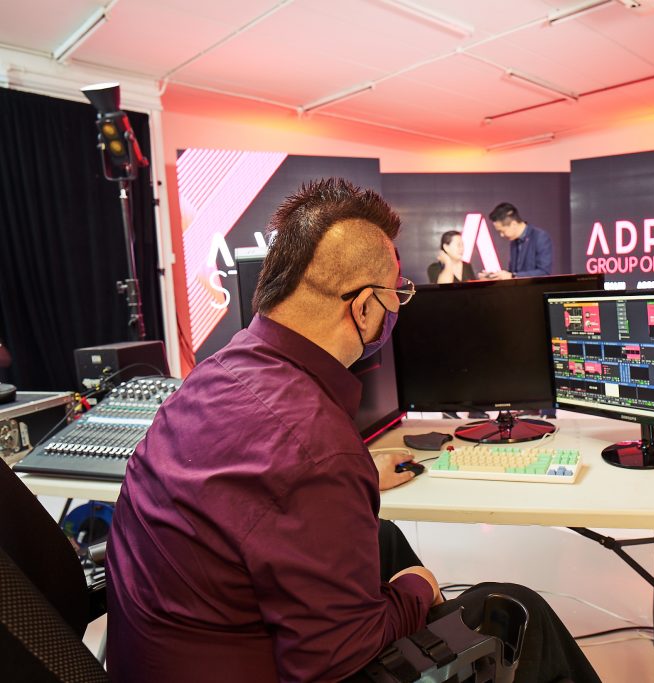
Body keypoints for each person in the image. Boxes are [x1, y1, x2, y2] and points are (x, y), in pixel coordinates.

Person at [105, 178, 600, 683]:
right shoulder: (316, 446)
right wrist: (414, 592)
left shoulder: (215, 374)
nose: (396, 309)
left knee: (381, 537)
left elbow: (258, 490)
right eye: (396, 296)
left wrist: (353, 475)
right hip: (298, 669)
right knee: (519, 607)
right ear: (363, 307)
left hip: (164, 656)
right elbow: (331, 660)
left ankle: (448, 661)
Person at [479, 202, 553, 279]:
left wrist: (513, 276)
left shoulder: (540, 237)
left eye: (502, 231)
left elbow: (544, 272)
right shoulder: (514, 242)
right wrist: (495, 276)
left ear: (513, 224)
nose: (502, 235)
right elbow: (513, 272)